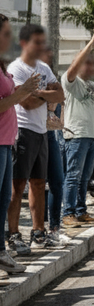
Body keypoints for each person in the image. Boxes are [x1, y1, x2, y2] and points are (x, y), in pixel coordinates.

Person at [7, 24, 65, 252]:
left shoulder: (43, 67)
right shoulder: (16, 68)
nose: (42, 46)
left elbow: (60, 95)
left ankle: (38, 233)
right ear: (24, 43)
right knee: (17, 185)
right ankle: (13, 235)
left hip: (42, 131)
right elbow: (26, 103)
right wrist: (46, 95)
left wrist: (38, 92)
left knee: (39, 183)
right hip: (23, 131)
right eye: (37, 42)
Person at [0, 15, 40, 275]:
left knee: (4, 199)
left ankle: (1, 253)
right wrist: (22, 92)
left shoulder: (2, 66)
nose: (10, 38)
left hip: (6, 142)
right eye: (5, 33)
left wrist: (22, 90)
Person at [61, 27, 94, 226]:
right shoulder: (71, 81)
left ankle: (81, 211)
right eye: (87, 63)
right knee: (73, 176)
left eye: (93, 64)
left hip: (93, 136)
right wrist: (92, 43)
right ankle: (68, 213)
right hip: (76, 135)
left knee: (85, 178)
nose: (92, 67)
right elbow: (73, 69)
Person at [39, 47, 69, 242]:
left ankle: (54, 228)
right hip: (32, 132)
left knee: (57, 181)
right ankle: (38, 230)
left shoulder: (49, 75)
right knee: (37, 183)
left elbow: (58, 99)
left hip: (50, 133)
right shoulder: (25, 72)